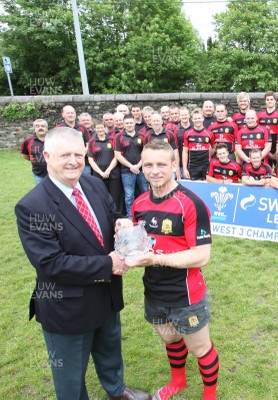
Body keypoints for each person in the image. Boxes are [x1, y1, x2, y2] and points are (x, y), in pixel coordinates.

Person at [15, 127, 150, 400]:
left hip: (106, 294)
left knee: (109, 347)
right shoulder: (32, 206)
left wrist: (120, 221)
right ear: (47, 157)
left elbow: (110, 215)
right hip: (67, 304)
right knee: (70, 374)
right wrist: (108, 264)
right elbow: (51, 264)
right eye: (65, 155)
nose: (74, 161)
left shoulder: (93, 184)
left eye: (78, 154)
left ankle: (116, 390)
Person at [128, 140, 219, 400]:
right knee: (170, 339)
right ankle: (178, 381)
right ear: (142, 166)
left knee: (199, 347)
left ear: (173, 165)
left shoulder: (191, 204)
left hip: (186, 295)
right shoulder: (139, 204)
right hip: (154, 292)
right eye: (148, 164)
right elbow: (142, 243)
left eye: (161, 164)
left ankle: (209, 395)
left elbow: (202, 256)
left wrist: (156, 259)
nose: (154, 170)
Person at [115, 115, 148, 218]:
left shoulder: (142, 136)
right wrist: (131, 166)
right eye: (127, 123)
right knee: (129, 196)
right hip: (126, 171)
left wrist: (138, 166)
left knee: (145, 193)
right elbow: (117, 155)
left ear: (134, 123)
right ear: (124, 125)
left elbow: (146, 152)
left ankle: (147, 214)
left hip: (141, 170)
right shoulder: (119, 137)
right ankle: (131, 217)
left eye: (131, 122)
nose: (129, 125)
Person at [88, 120, 124, 215]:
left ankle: (117, 216)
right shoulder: (92, 141)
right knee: (100, 196)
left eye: (101, 127)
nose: (100, 129)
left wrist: (108, 170)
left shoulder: (112, 139)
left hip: (113, 173)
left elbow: (116, 157)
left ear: (105, 128)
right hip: (98, 174)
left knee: (115, 196)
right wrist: (101, 172)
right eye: (98, 128)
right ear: (95, 129)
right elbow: (91, 160)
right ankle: (103, 215)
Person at [182, 110, 214, 181]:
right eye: (195, 119)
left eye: (199, 118)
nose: (197, 120)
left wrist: (209, 154)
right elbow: (185, 152)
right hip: (193, 166)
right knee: (195, 188)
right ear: (192, 120)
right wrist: (184, 169)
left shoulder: (209, 133)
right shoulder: (187, 133)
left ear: (203, 118)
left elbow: (214, 147)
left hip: (206, 165)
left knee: (207, 186)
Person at [258, 91, 278, 164]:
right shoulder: (260, 115)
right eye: (267, 99)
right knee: (266, 171)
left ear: (275, 100)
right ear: (265, 101)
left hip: (277, 144)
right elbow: (258, 132)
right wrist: (266, 151)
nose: (269, 101)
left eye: (271, 99)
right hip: (265, 145)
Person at [21, 118, 48, 185]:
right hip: (38, 174)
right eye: (37, 126)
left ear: (47, 129)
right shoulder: (28, 141)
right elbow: (25, 155)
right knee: (41, 193)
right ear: (34, 129)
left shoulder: (53, 139)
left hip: (55, 174)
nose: (40, 128)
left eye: (43, 126)